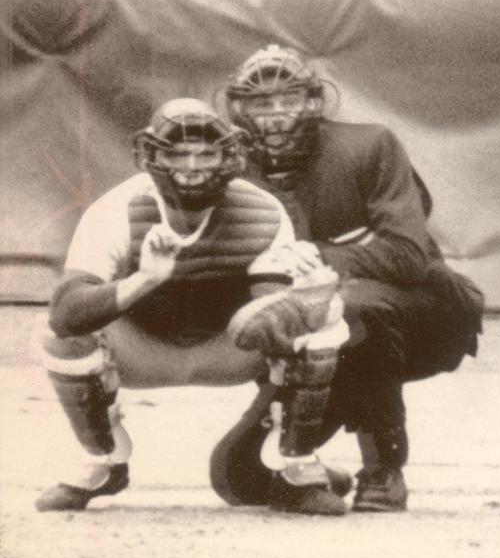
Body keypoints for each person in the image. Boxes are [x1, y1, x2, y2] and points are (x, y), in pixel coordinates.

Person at [36, 97, 355, 516]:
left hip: (229, 348)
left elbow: (268, 308)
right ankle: (102, 460)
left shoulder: (262, 210)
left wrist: (303, 295)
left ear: (229, 155)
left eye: (206, 153)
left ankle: (296, 466)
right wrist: (144, 279)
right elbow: (66, 312)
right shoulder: (117, 210)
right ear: (153, 156)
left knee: (323, 317)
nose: (192, 165)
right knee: (55, 336)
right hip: (142, 351)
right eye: (179, 153)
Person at [210, 44, 484, 513]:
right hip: (312, 319)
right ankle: (309, 465)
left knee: (353, 310)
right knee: (237, 476)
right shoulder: (230, 168)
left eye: (288, 100)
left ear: (314, 102)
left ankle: (384, 469)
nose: (275, 116)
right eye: (261, 104)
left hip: (422, 313)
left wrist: (315, 257)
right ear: (240, 108)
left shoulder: (369, 145)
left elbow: (408, 253)